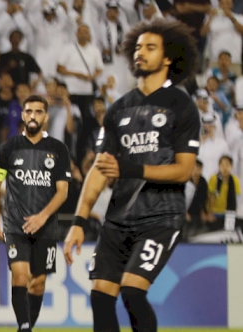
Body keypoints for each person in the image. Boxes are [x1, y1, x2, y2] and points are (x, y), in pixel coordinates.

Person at [63, 19, 201, 332]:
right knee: (100, 295)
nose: (141, 52)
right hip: (118, 218)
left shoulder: (181, 105)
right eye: (138, 47)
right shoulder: (118, 109)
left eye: (150, 48)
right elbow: (100, 171)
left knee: (133, 292)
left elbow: (183, 171)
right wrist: (79, 222)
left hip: (162, 217)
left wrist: (130, 169)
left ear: (168, 58)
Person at [0, 94, 71, 331]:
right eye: (28, 112)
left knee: (38, 284)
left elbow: (62, 192)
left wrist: (43, 216)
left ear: (45, 116)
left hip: (45, 227)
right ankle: (24, 326)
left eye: (38, 112)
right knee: (21, 277)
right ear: (23, 115)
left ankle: (27, 327)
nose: (33, 116)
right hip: (16, 225)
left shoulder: (58, 150)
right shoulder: (7, 149)